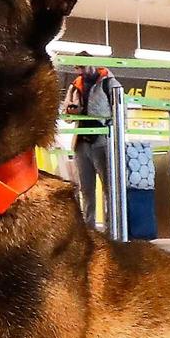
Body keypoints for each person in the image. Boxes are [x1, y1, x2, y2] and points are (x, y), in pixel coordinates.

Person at [65, 65, 128, 236]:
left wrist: (119, 138)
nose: (80, 72)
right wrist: (72, 110)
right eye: (77, 68)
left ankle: (111, 231)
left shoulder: (109, 83)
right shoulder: (75, 85)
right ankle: (89, 231)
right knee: (86, 190)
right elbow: (67, 115)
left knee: (109, 188)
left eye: (82, 67)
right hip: (81, 142)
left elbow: (122, 112)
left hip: (103, 141)